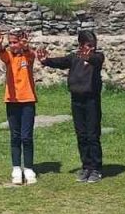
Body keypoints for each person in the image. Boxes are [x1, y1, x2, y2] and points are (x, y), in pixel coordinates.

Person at [37, 30, 106, 183]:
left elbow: (96, 60)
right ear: (80, 45)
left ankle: (96, 168)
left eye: (93, 45)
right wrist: (46, 61)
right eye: (88, 45)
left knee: (92, 135)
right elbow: (61, 62)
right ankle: (86, 166)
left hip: (91, 101)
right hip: (76, 101)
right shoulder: (74, 57)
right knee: (81, 135)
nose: (92, 48)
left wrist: (89, 57)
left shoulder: (98, 57)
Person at [0, 29, 39, 185]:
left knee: (26, 137)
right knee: (15, 136)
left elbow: (31, 55)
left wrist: (25, 47)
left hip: (28, 100)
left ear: (22, 42)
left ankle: (29, 168)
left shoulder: (28, 56)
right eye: (10, 43)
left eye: (15, 42)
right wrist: (0, 46)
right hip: (11, 101)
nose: (12, 45)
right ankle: (16, 168)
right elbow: (3, 55)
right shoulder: (8, 56)